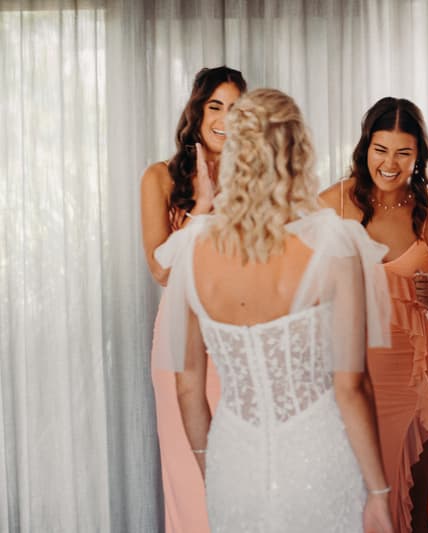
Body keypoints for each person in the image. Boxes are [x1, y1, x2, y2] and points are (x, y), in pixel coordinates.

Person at [154, 88, 394, 533]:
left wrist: (214, 472)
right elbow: (352, 386)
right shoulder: (333, 245)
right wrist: (379, 493)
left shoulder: (190, 250)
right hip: (319, 457)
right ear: (299, 153)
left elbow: (188, 389)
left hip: (233, 462)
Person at [321, 97, 428, 533]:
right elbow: (295, 286)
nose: (389, 163)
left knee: (414, 507)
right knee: (353, 510)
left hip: (409, 385)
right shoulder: (332, 204)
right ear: (365, 147)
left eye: (403, 152)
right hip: (347, 383)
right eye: (380, 149)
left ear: (419, 156)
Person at [140, 65, 246, 532]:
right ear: (198, 112)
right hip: (183, 335)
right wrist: (202, 208)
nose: (225, 118)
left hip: (240, 338)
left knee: (241, 474)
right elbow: (161, 269)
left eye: (236, 108)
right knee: (192, 477)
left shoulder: (254, 182)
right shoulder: (160, 177)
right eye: (215, 106)